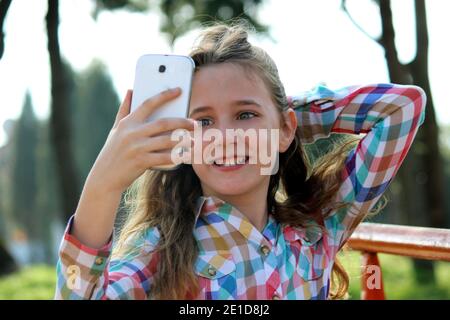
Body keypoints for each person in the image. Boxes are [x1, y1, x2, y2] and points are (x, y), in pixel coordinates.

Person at [54, 22, 426, 300]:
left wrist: (281, 119)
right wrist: (103, 184)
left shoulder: (319, 226)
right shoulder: (159, 250)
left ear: (285, 128)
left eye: (244, 115)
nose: (225, 137)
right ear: (183, 138)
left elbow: (402, 108)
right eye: (203, 121)